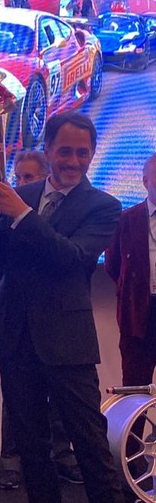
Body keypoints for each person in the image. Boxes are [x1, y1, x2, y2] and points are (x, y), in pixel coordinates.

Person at [0, 111, 156, 503]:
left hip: (67, 342)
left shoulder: (103, 206)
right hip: (15, 337)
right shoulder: (21, 195)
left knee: (91, 446)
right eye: (64, 150)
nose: (73, 160)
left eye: (82, 153)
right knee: (32, 447)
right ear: (47, 149)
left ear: (91, 155)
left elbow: (71, 259)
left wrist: (21, 215)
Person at [0, 149, 83, 490]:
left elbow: (67, 258)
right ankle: (11, 461)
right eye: (17, 178)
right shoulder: (8, 212)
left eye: (29, 177)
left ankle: (62, 456)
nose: (21, 184)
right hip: (17, 318)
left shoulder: (69, 211)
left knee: (60, 399)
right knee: (16, 402)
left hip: (58, 320)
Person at [105, 154, 156, 391]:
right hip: (138, 314)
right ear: (145, 181)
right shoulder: (126, 220)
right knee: (135, 389)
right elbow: (113, 265)